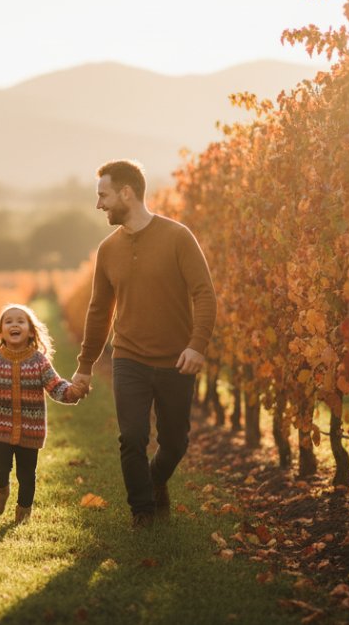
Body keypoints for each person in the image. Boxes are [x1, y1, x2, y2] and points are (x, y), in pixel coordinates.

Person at [70, 160, 216, 528]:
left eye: (103, 195)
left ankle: (155, 479)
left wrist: (197, 345)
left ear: (126, 193)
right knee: (132, 437)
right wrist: (85, 366)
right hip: (129, 357)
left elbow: (204, 294)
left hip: (175, 359)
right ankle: (143, 511)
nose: (99, 205)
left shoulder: (178, 237)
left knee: (175, 443)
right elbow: (99, 310)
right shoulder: (107, 250)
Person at [0, 304, 83, 523]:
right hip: (0, 426)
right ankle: (1, 489)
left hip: (30, 429)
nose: (15, 325)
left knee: (26, 474)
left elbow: (55, 386)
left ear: (31, 331)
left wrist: (72, 392)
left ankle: (24, 510)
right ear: (1, 332)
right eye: (9, 321)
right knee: (0, 467)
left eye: (20, 321)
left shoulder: (39, 362)